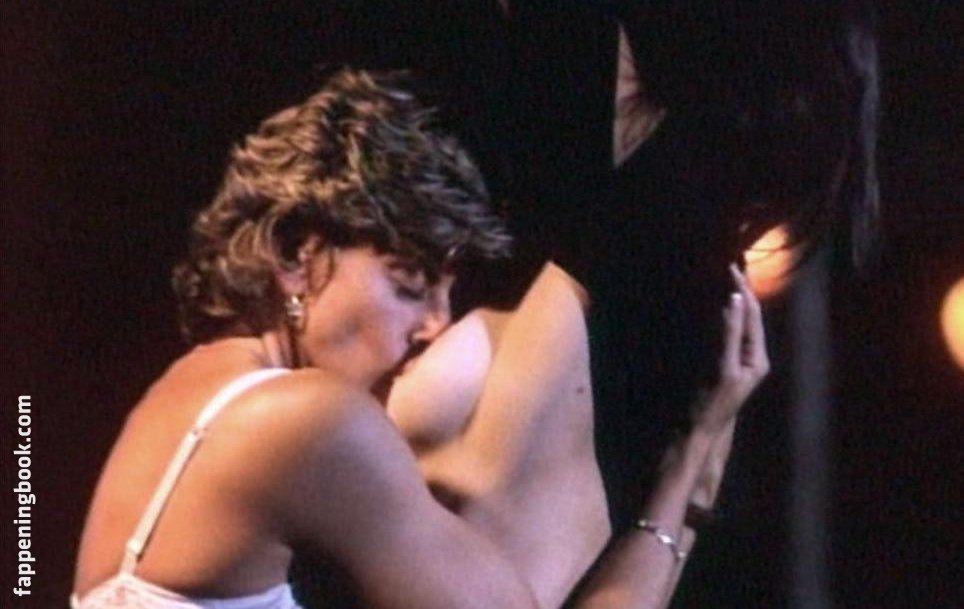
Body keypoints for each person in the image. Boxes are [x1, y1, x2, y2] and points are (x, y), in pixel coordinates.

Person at [72, 67, 769, 609]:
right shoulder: (305, 423)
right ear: (294, 256)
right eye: (409, 286)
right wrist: (691, 463)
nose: (432, 325)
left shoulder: (174, 403)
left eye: (444, 295)